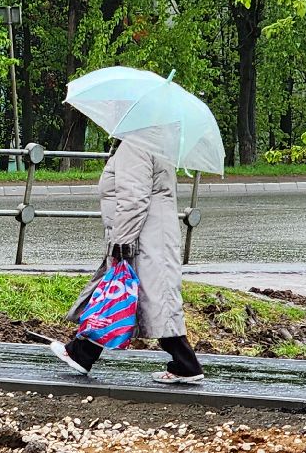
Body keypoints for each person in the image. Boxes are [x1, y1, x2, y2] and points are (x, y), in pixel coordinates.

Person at [50, 136, 205, 384]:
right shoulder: (149, 143)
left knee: (143, 298)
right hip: (148, 236)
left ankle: (186, 364)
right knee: (124, 296)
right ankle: (82, 354)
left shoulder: (136, 144)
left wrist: (121, 241)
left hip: (142, 238)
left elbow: (134, 199)